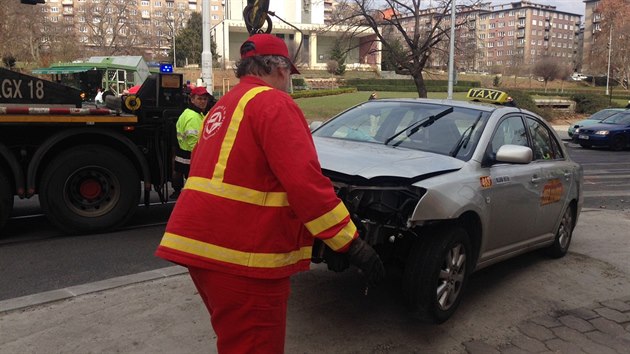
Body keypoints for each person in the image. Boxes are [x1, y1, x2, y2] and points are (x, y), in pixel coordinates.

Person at [155, 33, 384, 353]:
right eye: (290, 73)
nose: (289, 81)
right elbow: (306, 185)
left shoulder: (225, 105)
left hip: (204, 249)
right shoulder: (274, 103)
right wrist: (350, 242)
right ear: (279, 68)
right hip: (244, 256)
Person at [170, 86, 214, 199]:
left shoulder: (189, 113)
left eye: (205, 99)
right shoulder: (193, 117)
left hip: (184, 155)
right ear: (192, 99)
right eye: (199, 99)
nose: (203, 101)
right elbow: (194, 142)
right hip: (192, 157)